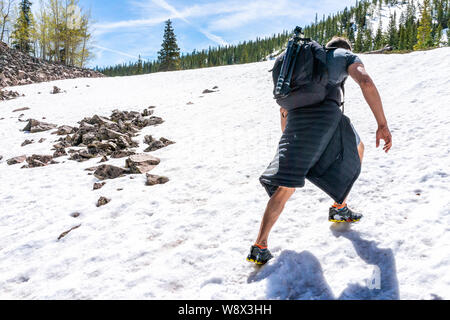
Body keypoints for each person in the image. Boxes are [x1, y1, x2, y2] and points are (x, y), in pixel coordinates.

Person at [247, 37, 393, 265]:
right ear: (346, 49)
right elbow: (365, 82)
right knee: (358, 148)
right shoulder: (344, 57)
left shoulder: (303, 65)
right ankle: (339, 207)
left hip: (297, 123)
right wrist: (382, 125)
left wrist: (290, 140)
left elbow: (284, 108)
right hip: (326, 120)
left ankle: (260, 245)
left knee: (286, 185)